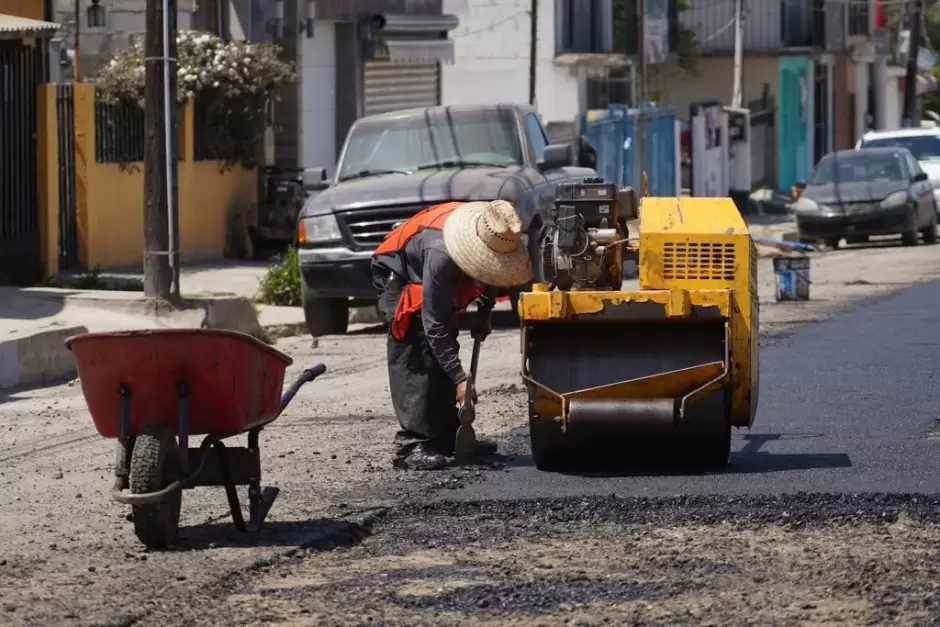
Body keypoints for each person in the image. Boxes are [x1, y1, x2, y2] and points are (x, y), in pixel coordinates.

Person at [371, 200, 534, 471]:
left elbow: (492, 269)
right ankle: (411, 446)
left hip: (431, 259)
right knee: (417, 343)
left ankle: (448, 436)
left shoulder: (494, 231)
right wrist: (460, 379)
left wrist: (486, 310)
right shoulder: (441, 254)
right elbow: (433, 322)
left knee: (444, 342)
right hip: (397, 267)